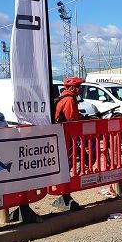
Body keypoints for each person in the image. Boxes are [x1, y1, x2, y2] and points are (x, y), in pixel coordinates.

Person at [52, 76, 86, 210]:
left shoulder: (64, 97)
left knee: (68, 161)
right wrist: (81, 119)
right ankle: (64, 191)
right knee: (68, 161)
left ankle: (64, 190)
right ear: (72, 87)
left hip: (63, 136)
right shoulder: (69, 99)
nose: (80, 89)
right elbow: (71, 118)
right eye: (78, 86)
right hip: (67, 136)